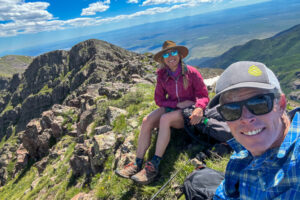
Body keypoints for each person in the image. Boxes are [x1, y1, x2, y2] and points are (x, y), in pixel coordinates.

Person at [115, 40, 209, 184]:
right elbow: (159, 100)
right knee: (147, 120)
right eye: (167, 54)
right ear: (163, 58)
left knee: (165, 119)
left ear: (179, 55)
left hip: (187, 111)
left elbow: (203, 94)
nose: (171, 56)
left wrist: (198, 107)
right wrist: (176, 103)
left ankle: (153, 166)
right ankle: (137, 163)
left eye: (174, 52)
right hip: (175, 106)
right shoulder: (162, 75)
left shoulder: (191, 72)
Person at [206, 61, 300, 199]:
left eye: (259, 103)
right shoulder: (241, 154)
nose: (245, 118)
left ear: (281, 104)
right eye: (231, 110)